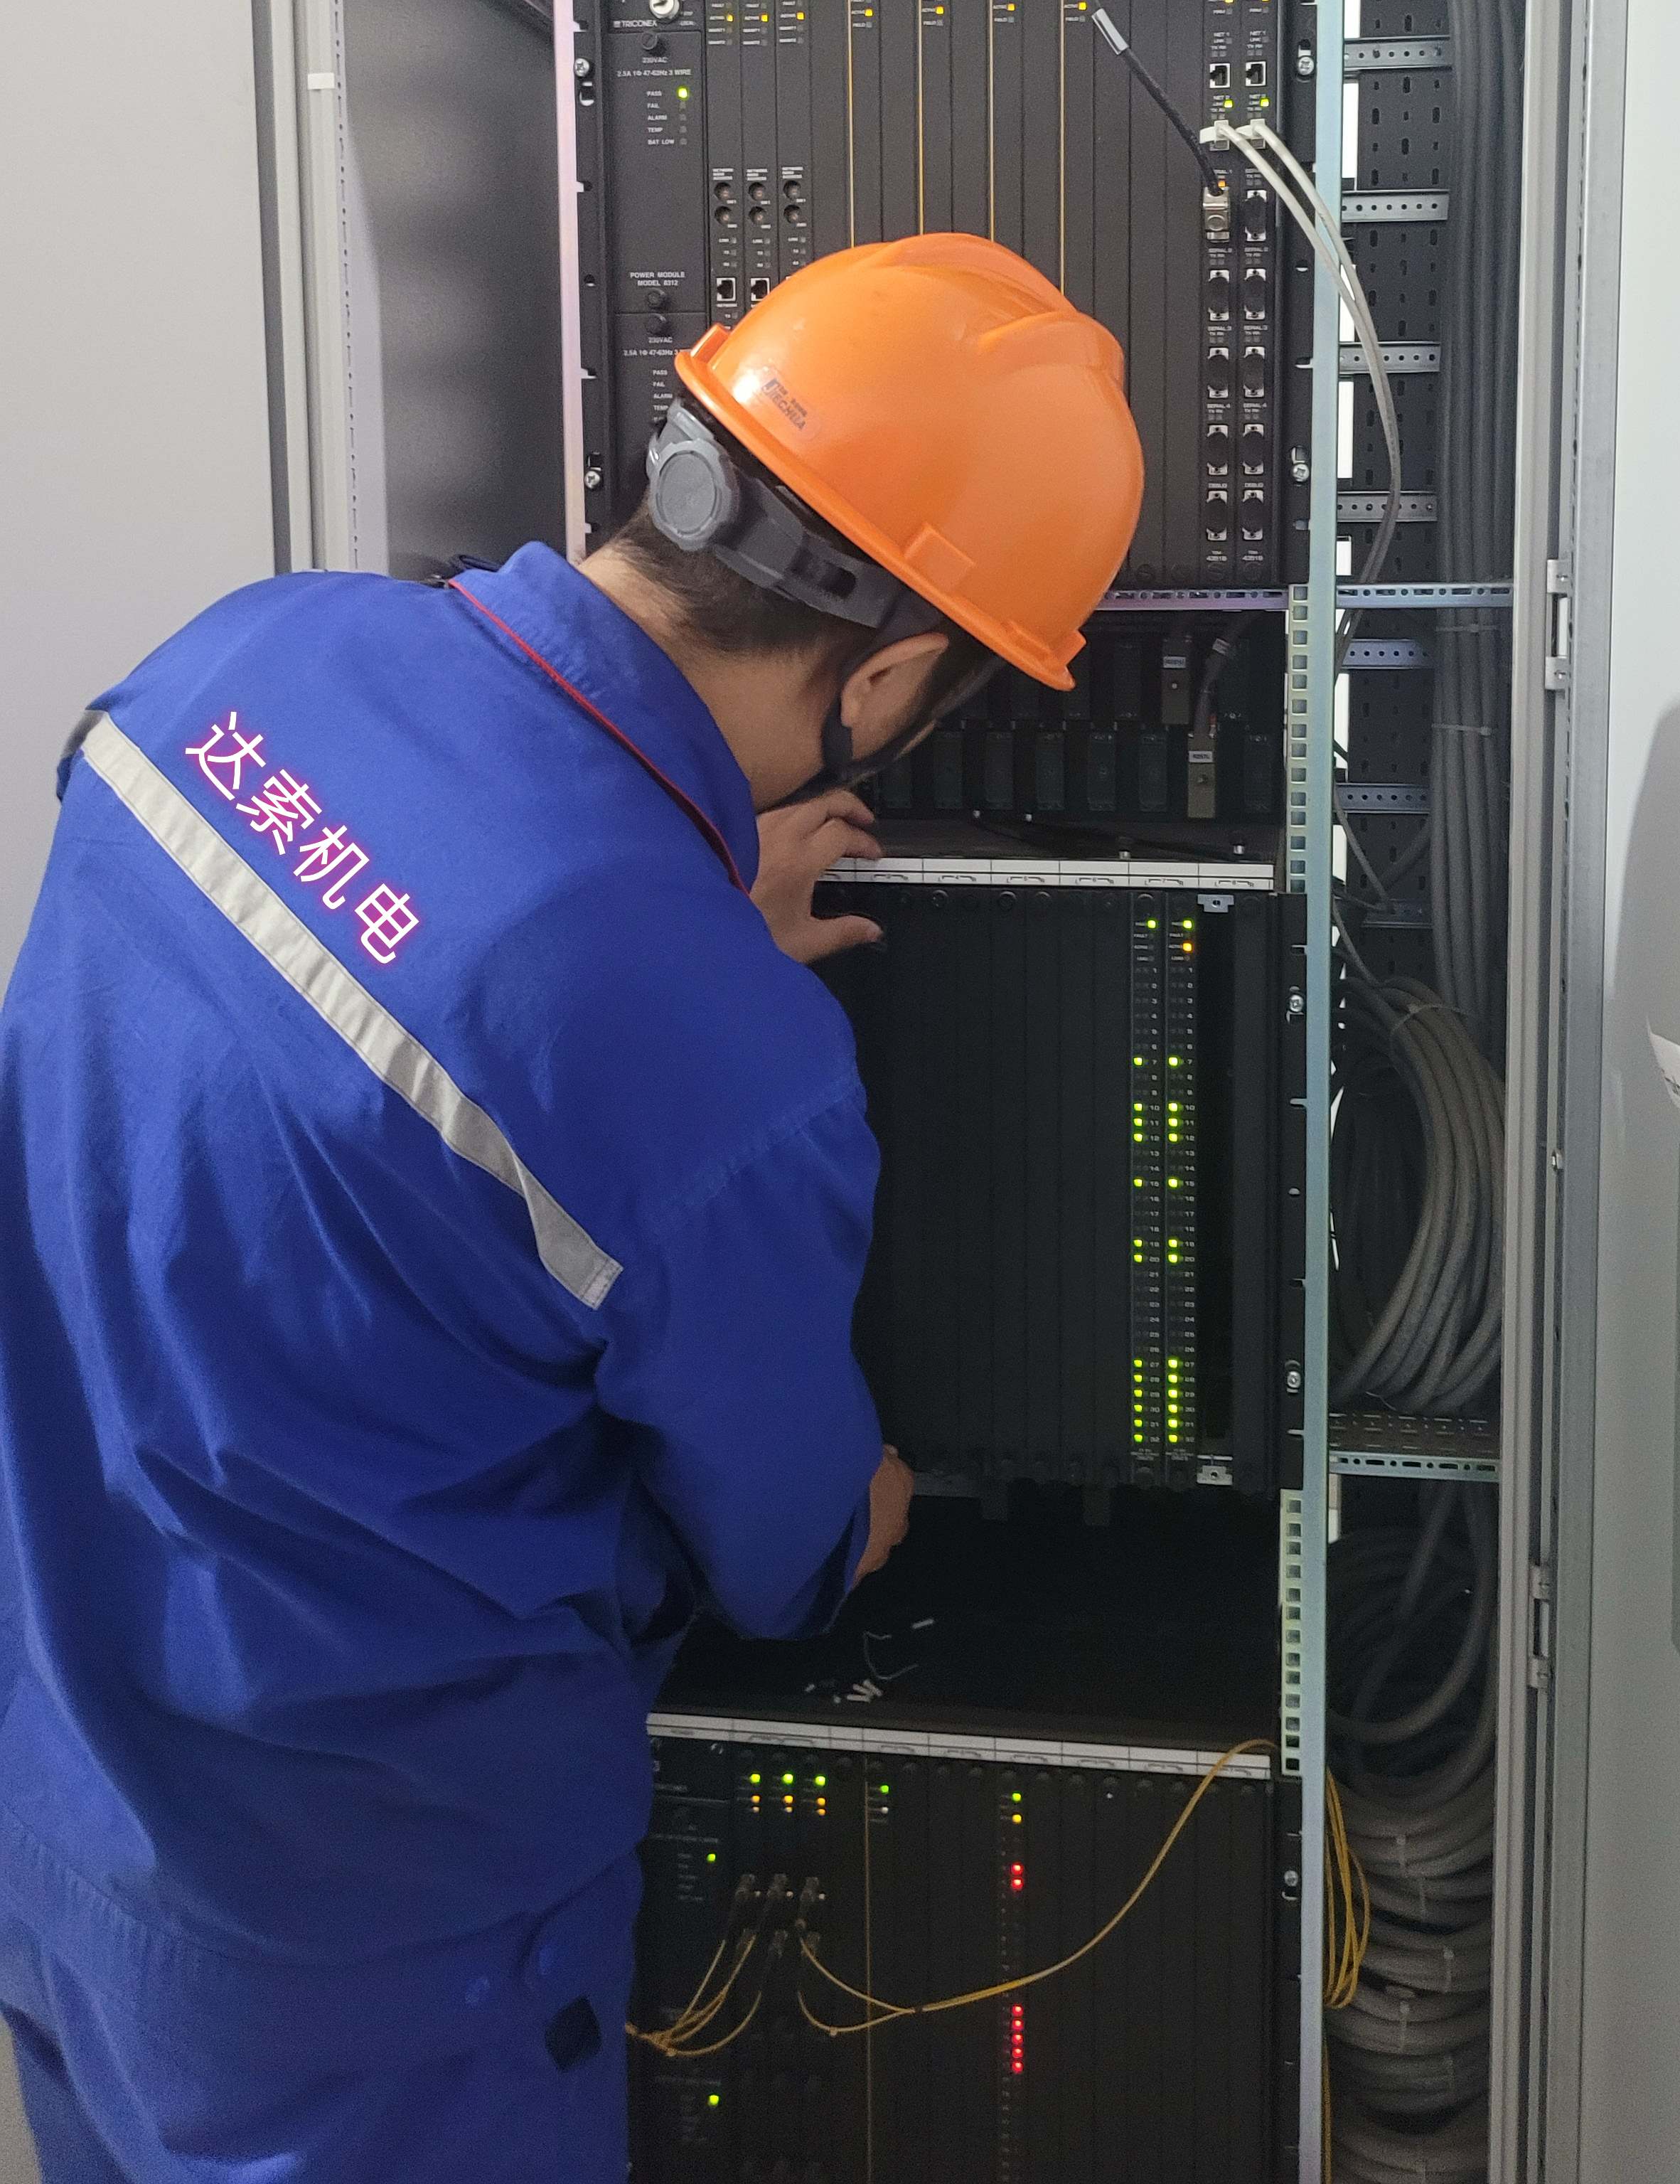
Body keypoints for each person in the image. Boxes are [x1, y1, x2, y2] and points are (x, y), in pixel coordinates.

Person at [0, 233, 1144, 2183]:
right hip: (364, 1949)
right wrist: (867, 1494)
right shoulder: (713, 1063)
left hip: (67, 1802)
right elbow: (790, 1555)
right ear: (886, 675)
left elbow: (359, 1001)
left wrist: (664, 919)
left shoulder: (247, 653)